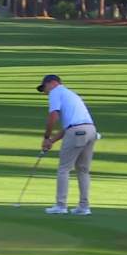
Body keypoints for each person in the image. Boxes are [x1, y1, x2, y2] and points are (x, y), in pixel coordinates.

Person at [37, 75, 97, 215]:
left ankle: (61, 205)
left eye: (45, 88)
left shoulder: (56, 92)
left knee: (64, 168)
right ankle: (84, 207)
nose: (45, 92)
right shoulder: (71, 94)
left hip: (77, 131)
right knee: (83, 169)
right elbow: (68, 127)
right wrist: (51, 141)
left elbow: (54, 116)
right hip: (91, 130)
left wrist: (46, 137)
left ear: (52, 83)